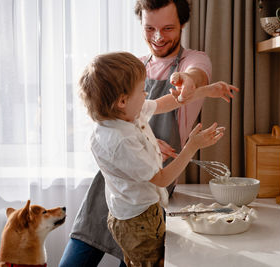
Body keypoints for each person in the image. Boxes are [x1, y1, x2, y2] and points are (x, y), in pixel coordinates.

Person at [59, 0, 216, 266]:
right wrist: (148, 140)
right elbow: (110, 121)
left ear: (182, 24)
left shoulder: (193, 60)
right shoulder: (133, 67)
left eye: (167, 28)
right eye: (149, 28)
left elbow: (195, 76)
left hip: (149, 190)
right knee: (77, 257)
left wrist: (190, 82)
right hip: (112, 183)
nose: (157, 37)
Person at [79, 51, 237, 266]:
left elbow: (163, 104)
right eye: (142, 91)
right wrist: (192, 146)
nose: (146, 95)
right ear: (122, 100)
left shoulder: (123, 114)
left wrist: (207, 91)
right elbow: (162, 179)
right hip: (139, 221)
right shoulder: (119, 140)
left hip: (139, 213)